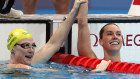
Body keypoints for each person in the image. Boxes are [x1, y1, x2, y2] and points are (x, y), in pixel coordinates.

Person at [6, 0, 86, 69]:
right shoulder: (5, 69)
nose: (31, 50)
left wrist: (74, 11)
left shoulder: (33, 62)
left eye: (33, 46)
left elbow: (53, 44)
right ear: (13, 49)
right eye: (26, 46)